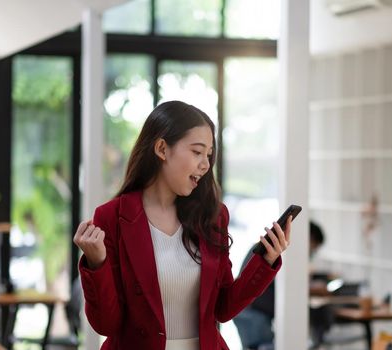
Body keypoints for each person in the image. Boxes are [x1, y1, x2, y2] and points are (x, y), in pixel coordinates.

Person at [72, 101, 292, 350]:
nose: (206, 164)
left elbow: (223, 308)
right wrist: (96, 263)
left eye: (209, 155)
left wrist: (265, 262)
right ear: (162, 148)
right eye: (197, 152)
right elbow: (106, 325)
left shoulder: (212, 216)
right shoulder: (112, 217)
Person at [234, 222, 325, 349]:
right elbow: (286, 284)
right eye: (312, 249)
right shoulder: (276, 250)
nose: (310, 253)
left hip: (247, 309)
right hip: (253, 311)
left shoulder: (273, 247)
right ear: (308, 237)